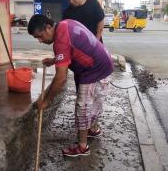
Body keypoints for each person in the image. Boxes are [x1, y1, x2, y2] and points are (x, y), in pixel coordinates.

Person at [27, 14, 114, 157]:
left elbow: (61, 78)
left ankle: (82, 147)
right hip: (104, 63)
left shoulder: (60, 42)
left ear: (48, 27)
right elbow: (73, 48)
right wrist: (55, 60)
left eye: (40, 36)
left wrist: (46, 101)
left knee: (83, 108)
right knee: (93, 102)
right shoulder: (65, 24)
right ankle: (92, 129)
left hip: (94, 70)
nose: (40, 41)